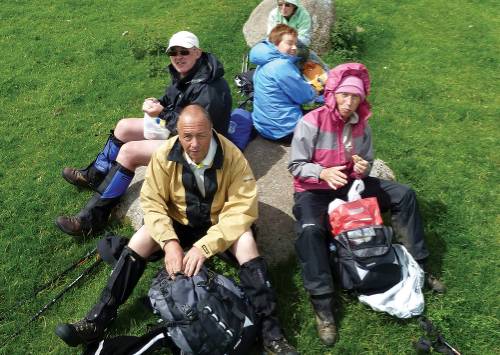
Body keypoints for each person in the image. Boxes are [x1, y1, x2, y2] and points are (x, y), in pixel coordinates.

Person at [55, 105, 298, 355]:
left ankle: (273, 334)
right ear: (178, 134)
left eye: (201, 135)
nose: (193, 144)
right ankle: (97, 320)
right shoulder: (165, 155)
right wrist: (170, 242)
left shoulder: (232, 157)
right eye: (186, 136)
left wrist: (204, 247)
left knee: (246, 242)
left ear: (211, 130)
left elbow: (241, 209)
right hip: (180, 221)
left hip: (216, 223)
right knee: (140, 239)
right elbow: (152, 201)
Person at [288, 63, 446, 346]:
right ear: (333, 92)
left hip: (349, 185)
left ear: (362, 99)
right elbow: (296, 165)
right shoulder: (311, 122)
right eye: (344, 95)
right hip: (314, 191)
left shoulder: (362, 126)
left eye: (355, 97)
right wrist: (322, 172)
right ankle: (323, 304)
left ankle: (419, 267)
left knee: (404, 194)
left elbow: (367, 162)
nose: (349, 103)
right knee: (310, 230)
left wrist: (362, 168)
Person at [56, 31, 232, 237]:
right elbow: (172, 99)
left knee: (129, 152)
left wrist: (163, 113)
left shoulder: (210, 90)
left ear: (197, 52)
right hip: (178, 128)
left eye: (184, 51)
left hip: (199, 150)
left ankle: (91, 220)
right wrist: (158, 103)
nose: (178, 56)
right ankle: (94, 176)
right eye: (173, 52)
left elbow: (196, 134)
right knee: (123, 127)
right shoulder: (189, 72)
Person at [250, 24, 316, 142]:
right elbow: (305, 97)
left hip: (262, 126)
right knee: (326, 116)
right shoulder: (281, 66)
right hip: (284, 130)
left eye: (295, 43)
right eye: (289, 43)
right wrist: (315, 90)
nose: (294, 47)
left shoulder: (263, 61)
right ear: (276, 43)